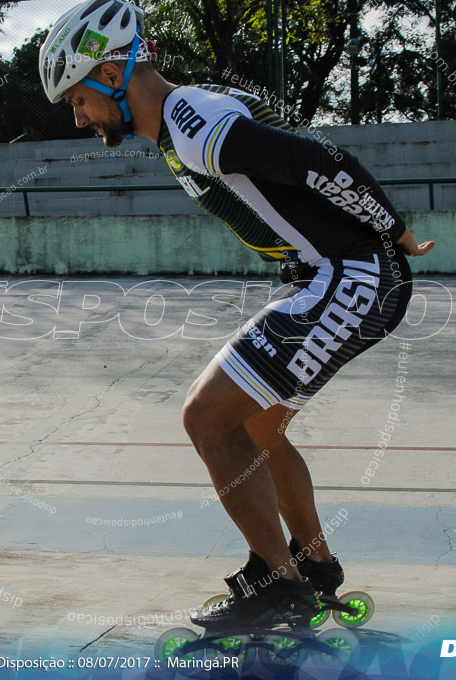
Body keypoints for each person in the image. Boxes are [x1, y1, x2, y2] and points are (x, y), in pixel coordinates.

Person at [39, 0, 435, 632]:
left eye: (77, 99)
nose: (80, 116)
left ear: (112, 75)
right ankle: (313, 567)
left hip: (349, 276)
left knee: (207, 418)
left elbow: (324, 162)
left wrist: (394, 230)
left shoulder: (192, 122)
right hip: (337, 276)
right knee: (255, 429)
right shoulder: (187, 116)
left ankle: (278, 585)